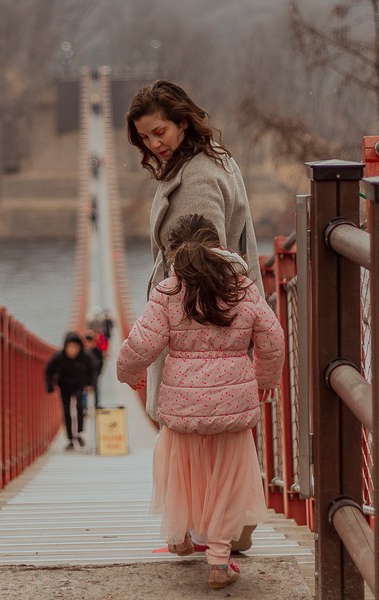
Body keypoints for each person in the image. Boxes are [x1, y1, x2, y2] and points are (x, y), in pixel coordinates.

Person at [126, 79, 265, 551]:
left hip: (196, 319)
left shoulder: (199, 177)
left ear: (183, 122)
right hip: (209, 314)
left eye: (160, 132)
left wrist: (161, 324)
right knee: (213, 428)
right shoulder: (208, 160)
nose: (153, 144)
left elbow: (203, 261)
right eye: (145, 137)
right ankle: (207, 530)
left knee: (195, 428)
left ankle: (208, 532)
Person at [116, 214, 284, 590]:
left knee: (180, 470)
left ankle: (178, 536)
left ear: (172, 252)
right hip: (233, 404)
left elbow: (141, 345)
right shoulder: (243, 288)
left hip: (183, 406)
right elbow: (272, 337)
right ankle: (219, 563)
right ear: (220, 247)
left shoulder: (168, 292)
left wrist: (128, 375)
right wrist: (265, 379)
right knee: (227, 480)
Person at [45, 332, 96, 449]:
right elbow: (48, 370)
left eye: (75, 347)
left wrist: (90, 384)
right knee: (67, 410)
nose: (72, 350)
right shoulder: (59, 357)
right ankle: (70, 438)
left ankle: (79, 434)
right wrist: (50, 387)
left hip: (79, 385)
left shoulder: (86, 356)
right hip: (64, 386)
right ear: (65, 347)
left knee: (79, 408)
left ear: (80, 348)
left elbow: (92, 370)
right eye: (70, 347)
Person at [83, 329, 104, 409]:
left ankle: (96, 405)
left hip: (94, 373)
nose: (89, 343)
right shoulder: (83, 351)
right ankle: (84, 406)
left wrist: (98, 373)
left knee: (95, 388)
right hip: (84, 373)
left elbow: (101, 363)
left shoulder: (98, 351)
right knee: (83, 389)